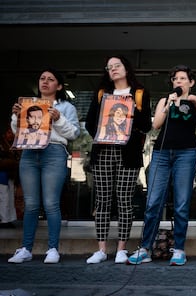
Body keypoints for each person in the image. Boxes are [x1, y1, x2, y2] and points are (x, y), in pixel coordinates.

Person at [127, 64, 196, 266]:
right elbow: (156, 124)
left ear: (191, 82)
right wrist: (169, 103)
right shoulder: (165, 100)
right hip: (161, 153)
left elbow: (195, 102)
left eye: (183, 79)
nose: (178, 82)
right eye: (175, 79)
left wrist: (181, 98)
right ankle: (145, 248)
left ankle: (179, 249)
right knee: (152, 202)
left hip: (186, 153)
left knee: (181, 203)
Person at [8, 68, 80, 264]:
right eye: (42, 78)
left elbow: (74, 134)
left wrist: (58, 118)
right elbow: (18, 132)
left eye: (50, 79)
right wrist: (16, 117)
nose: (45, 82)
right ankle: (25, 248)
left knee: (50, 203)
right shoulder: (28, 104)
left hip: (53, 151)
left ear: (59, 86)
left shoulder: (66, 107)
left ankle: (53, 249)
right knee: (30, 204)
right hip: (29, 151)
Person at [85, 55, 152, 264]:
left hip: (128, 153)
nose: (113, 69)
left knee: (125, 200)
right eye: (109, 67)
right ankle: (102, 249)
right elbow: (89, 124)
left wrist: (133, 109)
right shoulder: (102, 94)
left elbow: (146, 126)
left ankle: (122, 248)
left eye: (117, 66)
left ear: (126, 68)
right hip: (103, 151)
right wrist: (103, 133)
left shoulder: (139, 93)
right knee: (103, 200)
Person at [0, 127, 19, 228]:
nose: (11, 134)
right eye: (9, 132)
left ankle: (9, 219)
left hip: (10, 175)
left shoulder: (13, 144)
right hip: (2, 174)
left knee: (9, 198)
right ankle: (4, 220)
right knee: (4, 198)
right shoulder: (2, 144)